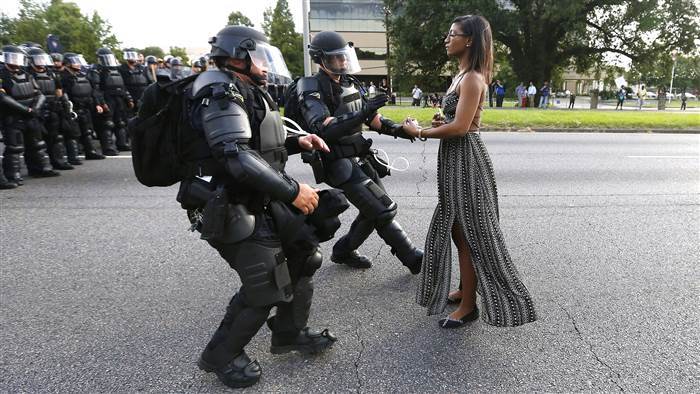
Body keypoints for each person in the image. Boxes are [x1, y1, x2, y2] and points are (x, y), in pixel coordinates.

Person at [182, 26, 338, 389]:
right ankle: (221, 355)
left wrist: (300, 140)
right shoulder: (218, 91)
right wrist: (291, 190)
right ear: (238, 56)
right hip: (226, 202)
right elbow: (236, 156)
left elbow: (259, 139)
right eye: (261, 57)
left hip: (255, 195)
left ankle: (289, 332)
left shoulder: (244, 89)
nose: (267, 66)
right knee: (266, 283)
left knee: (303, 254)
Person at [401, 15, 537, 329]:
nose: (447, 39)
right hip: (454, 158)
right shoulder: (461, 76)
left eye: (453, 34)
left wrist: (419, 131)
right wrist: (440, 122)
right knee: (456, 228)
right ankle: (465, 288)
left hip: (466, 160)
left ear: (470, 40)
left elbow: (462, 127)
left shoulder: (473, 78)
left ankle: (469, 306)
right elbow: (455, 120)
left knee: (470, 232)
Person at [296, 30, 423, 273]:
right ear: (320, 59)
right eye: (336, 58)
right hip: (337, 162)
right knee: (383, 209)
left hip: (360, 157)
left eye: (344, 57)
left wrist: (401, 131)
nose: (343, 62)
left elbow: (374, 119)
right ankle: (413, 258)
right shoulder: (310, 86)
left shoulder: (350, 83)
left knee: (373, 210)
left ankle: (343, 251)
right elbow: (323, 129)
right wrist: (363, 113)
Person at [0, 45, 60, 185]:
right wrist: (26, 110)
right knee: (15, 147)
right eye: (12, 58)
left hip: (31, 114)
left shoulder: (27, 74)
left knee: (37, 143)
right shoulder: (2, 75)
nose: (15, 61)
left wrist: (35, 108)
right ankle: (13, 175)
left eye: (17, 58)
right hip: (13, 116)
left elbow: (39, 93)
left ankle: (41, 168)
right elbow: (3, 98)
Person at [27, 47, 74, 170]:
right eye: (38, 59)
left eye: (42, 59)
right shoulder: (28, 74)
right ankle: (37, 167)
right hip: (37, 109)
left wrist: (62, 104)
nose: (41, 62)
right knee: (36, 141)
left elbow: (59, 90)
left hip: (52, 108)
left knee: (55, 137)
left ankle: (57, 161)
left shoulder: (51, 73)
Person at [60, 52, 106, 160]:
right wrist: (67, 108)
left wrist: (96, 104)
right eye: (75, 62)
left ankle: (90, 152)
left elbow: (91, 91)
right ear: (67, 63)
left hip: (85, 107)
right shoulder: (63, 77)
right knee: (73, 134)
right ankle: (73, 156)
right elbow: (62, 94)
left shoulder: (82, 75)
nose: (78, 64)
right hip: (73, 108)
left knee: (87, 131)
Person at [89, 47, 134, 153]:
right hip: (107, 98)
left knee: (121, 122)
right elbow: (96, 89)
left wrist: (128, 98)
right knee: (107, 123)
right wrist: (101, 103)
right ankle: (108, 147)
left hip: (119, 98)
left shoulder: (116, 69)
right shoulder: (97, 70)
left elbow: (123, 86)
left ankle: (122, 143)